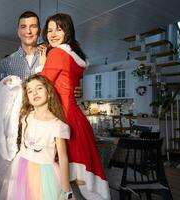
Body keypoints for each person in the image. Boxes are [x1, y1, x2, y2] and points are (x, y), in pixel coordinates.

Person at [0, 10, 82, 193]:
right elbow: (0, 98)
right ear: (18, 31)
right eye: (24, 27)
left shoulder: (54, 52)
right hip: (17, 127)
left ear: (39, 29)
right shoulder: (7, 62)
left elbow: (66, 79)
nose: (29, 31)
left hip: (46, 127)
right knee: (15, 176)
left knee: (44, 178)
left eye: (33, 26)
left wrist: (75, 90)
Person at [39, 13, 110, 200]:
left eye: (58, 29)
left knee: (63, 178)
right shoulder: (73, 55)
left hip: (63, 119)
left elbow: (41, 87)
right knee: (82, 180)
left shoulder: (56, 53)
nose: (52, 34)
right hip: (76, 119)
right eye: (50, 30)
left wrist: (41, 64)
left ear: (67, 31)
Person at [0, 74, 73, 200]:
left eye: (39, 88)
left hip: (45, 174)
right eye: (30, 91)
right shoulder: (26, 117)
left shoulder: (58, 126)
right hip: (21, 167)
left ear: (49, 93)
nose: (34, 93)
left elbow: (63, 158)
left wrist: (66, 190)